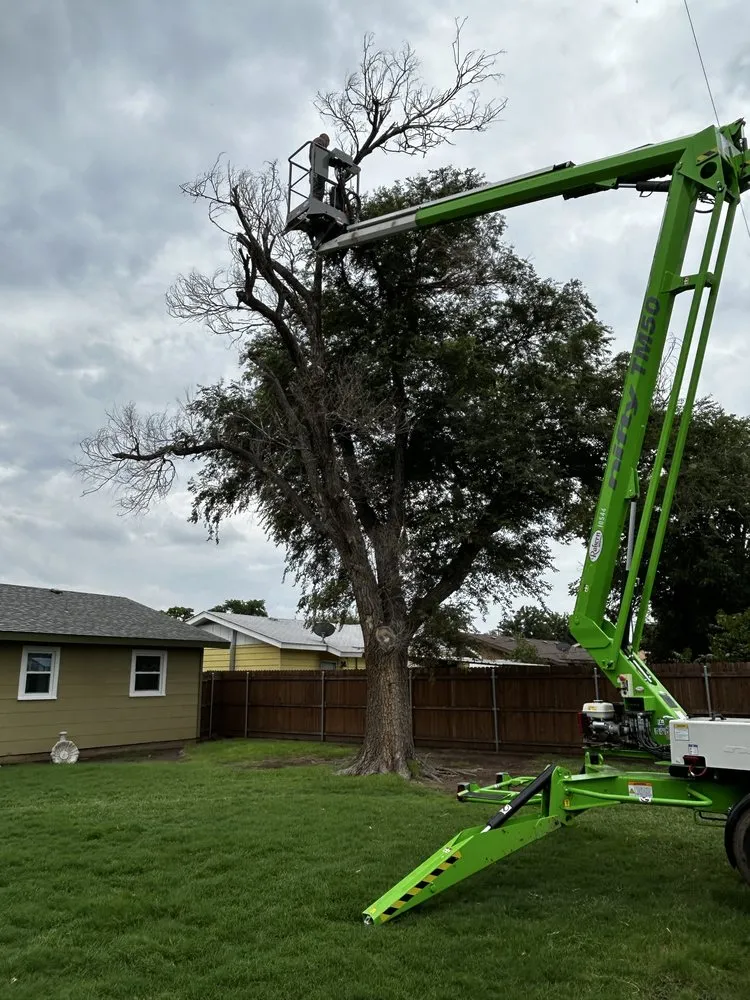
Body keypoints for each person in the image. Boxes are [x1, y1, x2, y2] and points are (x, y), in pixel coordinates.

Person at [309, 132, 330, 201]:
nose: (327, 145)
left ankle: (313, 200)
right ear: (326, 140)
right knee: (318, 190)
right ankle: (314, 201)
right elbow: (321, 153)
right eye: (328, 143)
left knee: (315, 189)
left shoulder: (315, 142)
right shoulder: (320, 140)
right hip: (318, 170)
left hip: (315, 169)